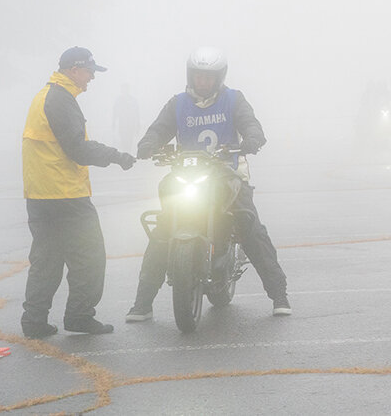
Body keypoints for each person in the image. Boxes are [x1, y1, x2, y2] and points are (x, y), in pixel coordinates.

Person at [128, 47, 293, 320]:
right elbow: (159, 129)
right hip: (186, 175)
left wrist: (251, 139)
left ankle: (279, 294)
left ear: (219, 78)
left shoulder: (234, 100)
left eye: (209, 77)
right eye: (198, 76)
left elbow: (251, 125)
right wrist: (148, 144)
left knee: (249, 225)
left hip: (228, 174)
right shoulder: (177, 103)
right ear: (190, 76)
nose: (203, 82)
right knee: (163, 229)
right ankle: (142, 304)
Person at [20, 47, 135, 337]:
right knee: (90, 256)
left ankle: (34, 320)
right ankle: (80, 315)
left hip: (40, 194)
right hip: (65, 194)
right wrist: (116, 156)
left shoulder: (47, 95)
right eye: (90, 71)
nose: (92, 78)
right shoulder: (60, 99)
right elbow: (77, 149)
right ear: (74, 69)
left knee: (47, 259)